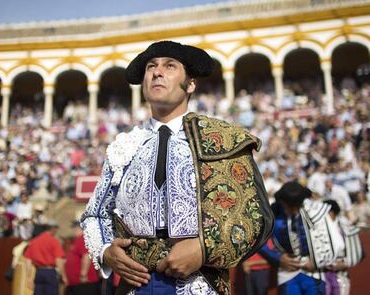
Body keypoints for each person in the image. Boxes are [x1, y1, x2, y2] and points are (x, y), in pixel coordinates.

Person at [81, 40, 274, 295]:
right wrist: (106, 252)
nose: (157, 72)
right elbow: (95, 214)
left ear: (190, 84)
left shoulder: (222, 139)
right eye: (151, 66)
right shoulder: (125, 146)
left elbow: (255, 217)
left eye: (170, 66)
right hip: (135, 284)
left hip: (198, 283)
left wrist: (203, 248)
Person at [259, 181, 336, 295]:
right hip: (287, 271)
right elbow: (259, 240)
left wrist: (317, 260)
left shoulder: (313, 211)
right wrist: (278, 258)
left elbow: (331, 238)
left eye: (296, 205)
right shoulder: (274, 212)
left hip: (313, 271)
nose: (293, 209)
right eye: (289, 205)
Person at [23, 219, 67, 295]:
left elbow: (28, 260)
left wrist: (29, 277)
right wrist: (63, 275)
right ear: (53, 229)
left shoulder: (35, 241)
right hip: (50, 272)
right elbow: (58, 260)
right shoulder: (54, 241)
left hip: (39, 272)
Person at [64, 221, 101, 295]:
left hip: (84, 282)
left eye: (75, 228)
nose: (73, 230)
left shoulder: (83, 238)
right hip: (75, 283)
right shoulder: (76, 240)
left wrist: (83, 274)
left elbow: (86, 256)